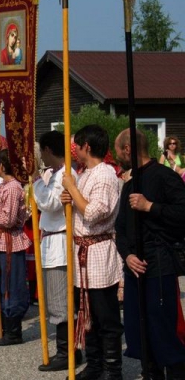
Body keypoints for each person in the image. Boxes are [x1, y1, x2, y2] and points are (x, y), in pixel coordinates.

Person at [115, 129, 185, 379]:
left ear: (127, 150)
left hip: (159, 264)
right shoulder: (130, 184)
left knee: (163, 330)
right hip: (134, 267)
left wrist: (150, 206)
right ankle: (150, 372)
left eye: (118, 151)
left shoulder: (165, 177)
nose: (117, 156)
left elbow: (182, 214)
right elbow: (120, 228)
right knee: (139, 331)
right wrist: (127, 256)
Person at [61, 124, 123, 380]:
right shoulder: (86, 173)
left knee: (105, 315)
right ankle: (95, 364)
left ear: (87, 146)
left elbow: (94, 212)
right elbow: (80, 206)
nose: (74, 150)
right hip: (81, 252)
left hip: (98, 252)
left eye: (77, 145)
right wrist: (70, 197)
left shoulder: (105, 175)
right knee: (86, 314)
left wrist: (72, 190)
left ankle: (112, 369)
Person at [33, 131, 81, 371]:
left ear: (49, 150)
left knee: (60, 300)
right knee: (55, 299)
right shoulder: (55, 174)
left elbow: (50, 203)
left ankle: (68, 350)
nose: (41, 155)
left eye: (42, 151)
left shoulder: (66, 174)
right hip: (51, 240)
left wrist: (34, 182)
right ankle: (68, 348)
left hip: (61, 242)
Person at [0, 149, 30, 346]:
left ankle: (13, 332)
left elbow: (9, 220)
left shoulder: (12, 188)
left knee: (11, 285)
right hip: (1, 241)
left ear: (2, 166)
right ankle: (5, 328)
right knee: (2, 284)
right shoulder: (5, 186)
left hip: (10, 240)